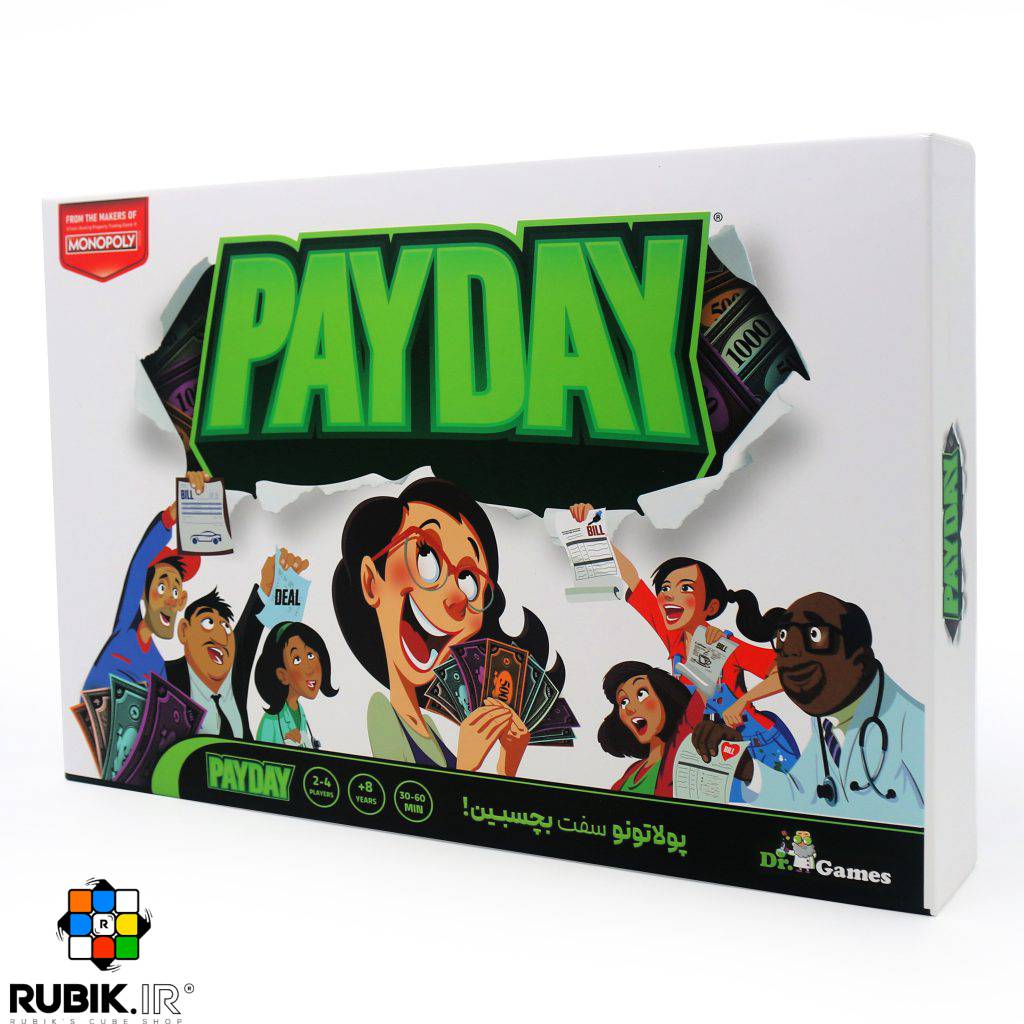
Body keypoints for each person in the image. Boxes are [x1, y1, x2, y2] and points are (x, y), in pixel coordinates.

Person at [333, 477, 562, 775]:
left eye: (469, 579)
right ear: (371, 581)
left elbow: (465, 801)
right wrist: (465, 764)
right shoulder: (381, 711)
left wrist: (507, 762)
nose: (457, 598)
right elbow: (410, 797)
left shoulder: (428, 726)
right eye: (426, 556)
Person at [568, 502, 798, 773]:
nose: (669, 596)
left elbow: (787, 672)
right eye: (665, 588)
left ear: (711, 606)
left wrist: (742, 701)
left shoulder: (724, 645)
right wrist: (592, 529)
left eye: (685, 588)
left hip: (760, 745)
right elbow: (631, 578)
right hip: (712, 749)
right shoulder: (674, 638)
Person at [692, 592, 925, 826]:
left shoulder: (916, 727)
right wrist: (746, 767)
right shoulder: (827, 720)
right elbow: (802, 796)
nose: (792, 652)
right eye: (783, 637)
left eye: (815, 635)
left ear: (860, 659)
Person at [164, 547, 309, 742]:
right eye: (208, 622)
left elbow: (247, 634)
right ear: (184, 630)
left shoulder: (233, 677)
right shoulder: (166, 677)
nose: (221, 637)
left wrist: (267, 589)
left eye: (225, 626)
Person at [83, 474, 207, 690]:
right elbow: (139, 564)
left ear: (182, 601)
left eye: (175, 592)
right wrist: (171, 516)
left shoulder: (157, 664)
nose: (170, 600)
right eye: (162, 587)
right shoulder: (126, 629)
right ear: (143, 589)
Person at [598, 661, 704, 796]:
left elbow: (697, 703)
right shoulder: (632, 772)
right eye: (623, 702)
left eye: (641, 694)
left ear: (664, 697)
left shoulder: (677, 757)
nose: (629, 708)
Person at [254, 621, 337, 749]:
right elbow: (260, 757)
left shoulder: (299, 710)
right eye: (297, 659)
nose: (310, 669)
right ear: (282, 675)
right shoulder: (271, 721)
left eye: (310, 655)